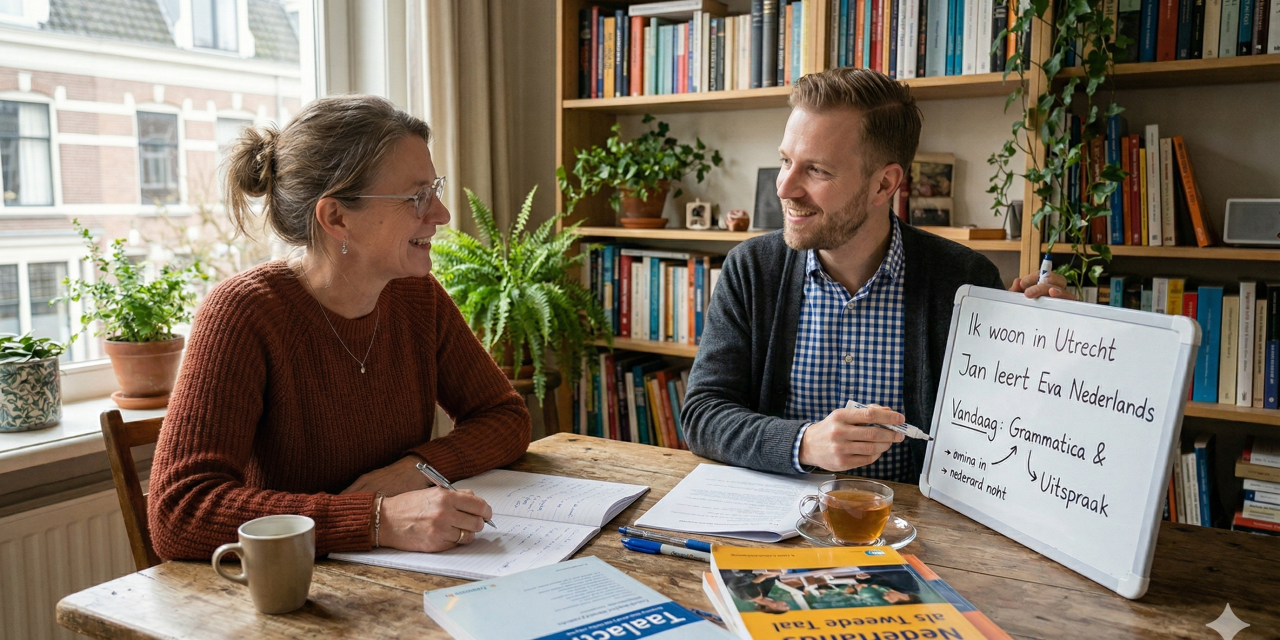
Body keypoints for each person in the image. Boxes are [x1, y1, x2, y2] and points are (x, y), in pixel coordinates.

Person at [147, 95, 532, 560]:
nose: (441, 215)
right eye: (417, 197)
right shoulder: (243, 314)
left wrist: (416, 469)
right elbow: (179, 513)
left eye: (435, 189)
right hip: (293, 597)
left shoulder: (417, 296)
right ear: (336, 217)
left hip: (399, 574)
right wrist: (376, 519)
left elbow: (505, 418)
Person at [682, 68, 1069, 482]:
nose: (784, 188)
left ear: (884, 184)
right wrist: (805, 442)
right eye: (785, 161)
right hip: (782, 528)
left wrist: (1049, 353)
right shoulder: (751, 268)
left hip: (919, 531)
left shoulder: (966, 281)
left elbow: (1012, 428)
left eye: (816, 170)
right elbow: (704, 414)